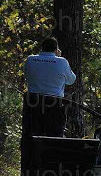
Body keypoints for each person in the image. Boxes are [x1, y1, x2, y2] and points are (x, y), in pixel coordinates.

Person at [21, 37, 76, 167]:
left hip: (32, 104)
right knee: (55, 136)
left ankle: (30, 165)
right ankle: (53, 166)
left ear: (41, 48)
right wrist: (59, 58)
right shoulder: (62, 62)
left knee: (31, 135)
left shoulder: (30, 59)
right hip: (54, 105)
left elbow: (27, 76)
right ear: (56, 50)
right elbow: (71, 80)